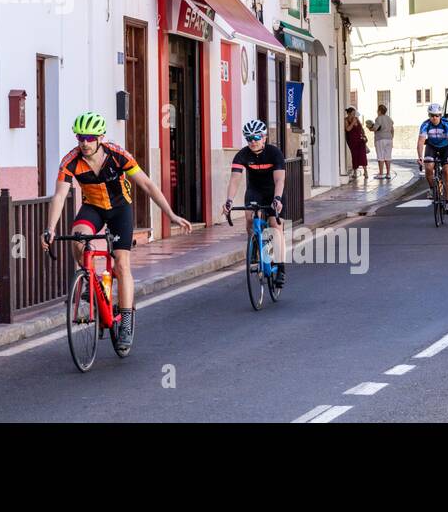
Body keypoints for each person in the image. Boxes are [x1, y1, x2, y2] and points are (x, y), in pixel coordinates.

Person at [42, 112, 193, 353]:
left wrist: (171, 215)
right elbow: (60, 195)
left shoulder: (117, 155)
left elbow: (147, 185)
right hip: (92, 208)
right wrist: (50, 229)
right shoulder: (70, 161)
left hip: (120, 210)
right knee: (77, 239)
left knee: (121, 264)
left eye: (89, 138)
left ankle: (126, 321)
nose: (84, 143)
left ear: (100, 137)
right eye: (80, 137)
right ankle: (91, 284)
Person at [223, 118, 287, 288]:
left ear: (264, 137)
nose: (252, 142)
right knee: (250, 217)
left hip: (273, 191)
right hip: (255, 191)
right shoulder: (242, 155)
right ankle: (255, 246)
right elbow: (235, 180)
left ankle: (280, 267)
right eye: (249, 138)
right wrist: (229, 201)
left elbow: (280, 180)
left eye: (256, 138)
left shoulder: (274, 153)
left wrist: (277, 199)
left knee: (275, 225)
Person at [418, 102, 448, 214]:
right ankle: (432, 188)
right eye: (432, 115)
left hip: (446, 147)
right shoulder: (425, 124)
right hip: (432, 146)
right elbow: (421, 142)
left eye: (437, 115)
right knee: (429, 167)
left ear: (440, 115)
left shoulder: (447, 124)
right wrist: (420, 157)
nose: (434, 118)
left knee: (447, 170)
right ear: (429, 115)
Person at [344, 106, 369, 180]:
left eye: (354, 114)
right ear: (348, 114)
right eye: (352, 114)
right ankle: (355, 172)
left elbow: (361, 129)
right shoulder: (346, 120)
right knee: (354, 155)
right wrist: (352, 123)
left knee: (363, 155)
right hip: (352, 141)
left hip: (360, 140)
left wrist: (364, 136)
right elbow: (348, 129)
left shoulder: (356, 119)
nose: (353, 115)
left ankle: (365, 171)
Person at [371, 104, 395, 179]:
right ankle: (388, 174)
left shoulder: (378, 118)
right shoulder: (389, 119)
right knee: (388, 156)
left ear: (380, 111)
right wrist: (391, 137)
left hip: (380, 139)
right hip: (389, 139)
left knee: (380, 156)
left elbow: (375, 128)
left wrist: (370, 128)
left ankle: (381, 174)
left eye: (378, 110)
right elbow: (392, 130)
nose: (377, 111)